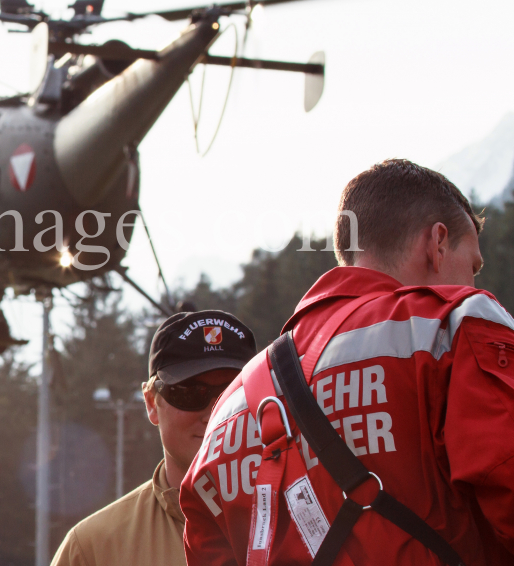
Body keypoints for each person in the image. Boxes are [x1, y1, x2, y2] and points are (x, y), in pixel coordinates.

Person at [181, 159, 514, 565]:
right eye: (474, 266)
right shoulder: (452, 326)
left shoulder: (227, 413)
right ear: (438, 243)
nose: (474, 283)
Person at [51, 310, 256, 566]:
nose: (215, 413)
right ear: (151, 403)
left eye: (233, 393)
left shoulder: (308, 523)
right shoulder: (93, 549)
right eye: (190, 393)